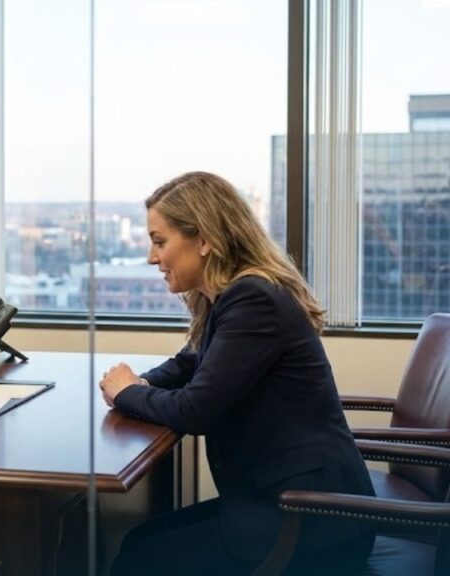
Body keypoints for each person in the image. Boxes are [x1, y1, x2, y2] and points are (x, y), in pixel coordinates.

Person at [100, 172, 374, 575]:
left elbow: (197, 410)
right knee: (138, 542)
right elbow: (188, 363)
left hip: (311, 518)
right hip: (278, 497)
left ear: (205, 239)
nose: (151, 257)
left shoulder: (253, 299)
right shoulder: (229, 295)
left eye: (160, 241)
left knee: (139, 559)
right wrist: (141, 383)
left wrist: (127, 393)